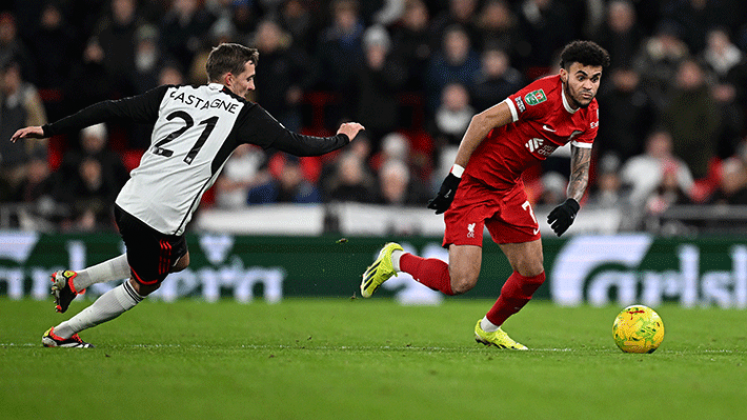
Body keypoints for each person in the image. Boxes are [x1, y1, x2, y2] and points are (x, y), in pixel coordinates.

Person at [10, 43, 364, 348]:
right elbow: (299, 145)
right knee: (144, 283)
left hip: (129, 199)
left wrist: (49, 130)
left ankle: (76, 281)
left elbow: (110, 109)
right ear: (229, 79)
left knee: (180, 261)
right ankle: (61, 333)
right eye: (249, 78)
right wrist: (342, 138)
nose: (253, 85)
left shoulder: (171, 93)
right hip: (159, 216)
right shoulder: (243, 113)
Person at [360, 40, 609, 350]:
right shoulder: (541, 96)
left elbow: (581, 167)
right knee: (460, 282)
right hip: (473, 184)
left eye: (595, 78)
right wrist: (455, 175)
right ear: (563, 75)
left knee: (533, 274)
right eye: (581, 76)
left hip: (509, 187)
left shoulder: (590, 114)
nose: (588, 86)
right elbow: (482, 120)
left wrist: (572, 203)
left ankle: (489, 328)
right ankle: (396, 259)